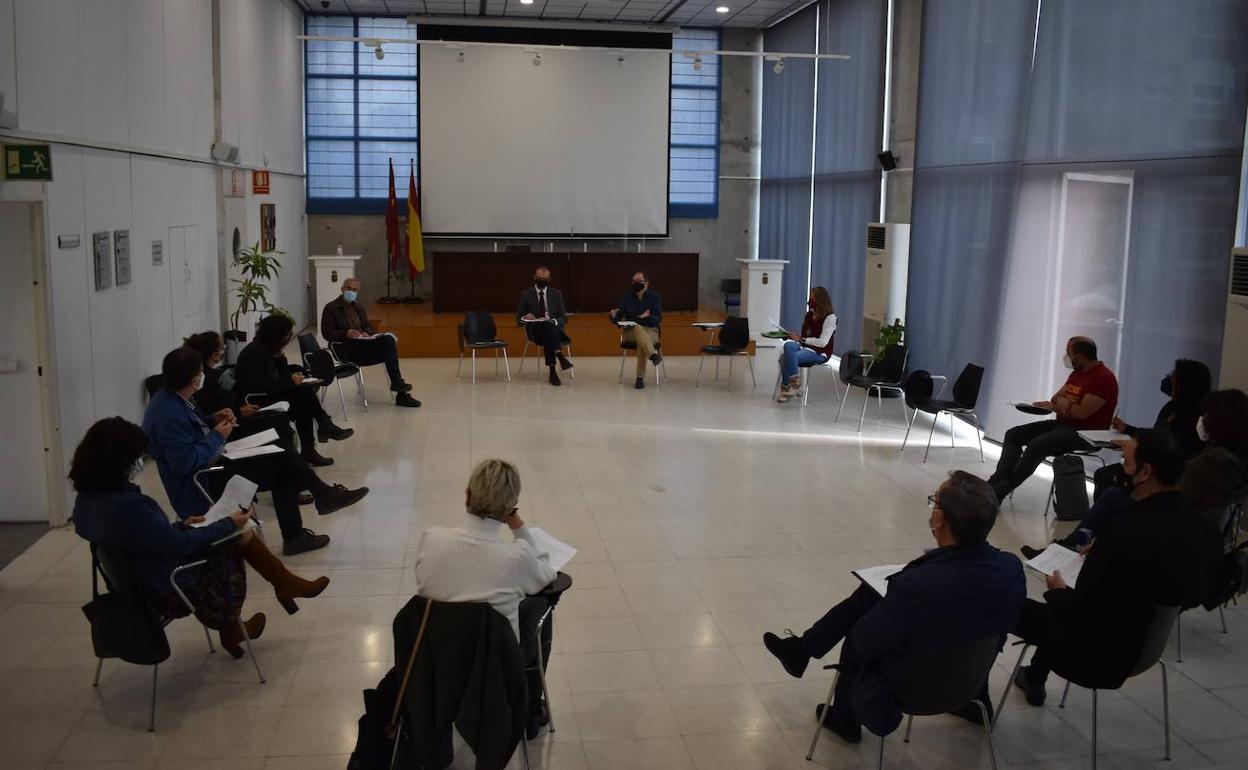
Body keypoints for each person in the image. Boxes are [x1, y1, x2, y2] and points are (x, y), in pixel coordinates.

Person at [761, 471, 1025, 741]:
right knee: (881, 598)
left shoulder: (918, 585)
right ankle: (802, 650)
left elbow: (864, 641)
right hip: (968, 682)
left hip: (914, 690)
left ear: (940, 518)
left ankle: (843, 716)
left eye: (934, 502)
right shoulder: (1011, 568)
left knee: (860, 625)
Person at [70, 418, 331, 656]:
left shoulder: (87, 502)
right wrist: (227, 523)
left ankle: (269, 595)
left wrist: (181, 525)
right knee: (237, 534)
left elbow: (141, 538)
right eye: (137, 457)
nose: (141, 462)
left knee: (227, 531)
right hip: (167, 584)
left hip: (134, 579)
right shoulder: (128, 505)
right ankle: (272, 591)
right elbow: (177, 547)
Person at [1009, 430, 1224, 707]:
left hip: (1096, 653)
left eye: (1126, 463)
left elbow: (1080, 611)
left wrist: (1057, 592)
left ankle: (977, 695)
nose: (1121, 470)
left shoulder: (1125, 531)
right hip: (1145, 646)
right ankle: (1034, 678)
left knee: (1004, 602)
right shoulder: (1203, 528)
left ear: (1145, 472)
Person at [144, 347, 368, 556]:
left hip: (214, 463)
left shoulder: (173, 399)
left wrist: (213, 419)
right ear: (194, 379)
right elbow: (183, 461)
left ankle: (311, 512)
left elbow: (192, 429)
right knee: (283, 467)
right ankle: (308, 515)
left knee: (279, 447)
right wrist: (216, 436)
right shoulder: (168, 413)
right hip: (205, 479)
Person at [413, 459, 559, 738]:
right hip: (496, 665)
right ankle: (529, 709)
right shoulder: (516, 556)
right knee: (542, 605)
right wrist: (518, 526)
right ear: (509, 508)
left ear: (467, 494)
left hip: (436, 657)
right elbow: (546, 574)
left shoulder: (432, 539)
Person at [1020, 383, 1243, 559]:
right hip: (1192, 535)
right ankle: (1072, 545)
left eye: (1206, 415)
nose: (1201, 419)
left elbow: (1173, 500)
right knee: (1113, 491)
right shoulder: (1233, 459)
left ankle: (1072, 547)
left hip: (1171, 532)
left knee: (1112, 494)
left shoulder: (1211, 462)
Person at [988, 336, 1118, 502]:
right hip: (1062, 424)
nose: (1066, 357)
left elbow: (1081, 413)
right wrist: (1064, 405)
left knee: (1038, 445)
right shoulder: (1077, 373)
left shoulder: (1103, 378)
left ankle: (997, 492)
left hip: (1084, 434)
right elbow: (1056, 398)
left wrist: (1062, 405)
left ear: (1079, 357)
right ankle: (997, 483)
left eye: (1068, 353)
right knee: (1013, 434)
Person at [182, 331, 313, 463]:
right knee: (280, 424)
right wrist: (238, 412)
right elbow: (214, 410)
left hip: (237, 414)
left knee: (294, 405)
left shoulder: (212, 375)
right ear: (215, 354)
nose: (225, 350)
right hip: (231, 426)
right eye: (222, 347)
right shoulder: (204, 380)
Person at [233, 314, 354, 454]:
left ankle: (318, 435)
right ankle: (322, 428)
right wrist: (290, 381)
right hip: (256, 401)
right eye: (287, 334)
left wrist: (280, 360)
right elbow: (260, 386)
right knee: (304, 397)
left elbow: (279, 376)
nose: (289, 338)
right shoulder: (255, 353)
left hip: (267, 394)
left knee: (304, 396)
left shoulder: (268, 349)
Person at [320, 278, 421, 408]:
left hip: (363, 344)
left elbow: (368, 325)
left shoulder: (358, 307)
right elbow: (326, 333)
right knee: (388, 347)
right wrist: (346, 333)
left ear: (358, 292)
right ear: (342, 289)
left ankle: (400, 390)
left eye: (355, 290)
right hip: (346, 349)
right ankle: (400, 388)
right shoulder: (331, 308)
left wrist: (367, 332)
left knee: (388, 340)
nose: (351, 291)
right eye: (348, 288)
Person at [776, 286, 837, 403]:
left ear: (820, 300)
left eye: (812, 297)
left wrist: (802, 340)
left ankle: (789, 386)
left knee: (784, 358)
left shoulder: (830, 318)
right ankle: (795, 384)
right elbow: (804, 337)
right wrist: (792, 336)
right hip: (805, 347)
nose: (809, 300)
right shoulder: (809, 315)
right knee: (788, 345)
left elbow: (822, 342)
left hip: (819, 352)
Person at [517, 266, 574, 387]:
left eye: (545, 279)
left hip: (553, 329)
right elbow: (519, 320)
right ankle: (559, 356)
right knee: (547, 329)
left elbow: (564, 318)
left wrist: (553, 321)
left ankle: (553, 371)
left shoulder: (556, 294)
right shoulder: (525, 294)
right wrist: (526, 316)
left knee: (548, 327)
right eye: (539, 278)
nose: (541, 281)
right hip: (535, 330)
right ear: (534, 277)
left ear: (549, 279)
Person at [609, 271, 663, 390]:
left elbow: (658, 319)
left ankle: (640, 378)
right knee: (638, 328)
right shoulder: (626, 297)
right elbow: (618, 319)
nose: (635, 284)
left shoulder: (655, 297)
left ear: (646, 283)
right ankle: (652, 356)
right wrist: (613, 316)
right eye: (633, 282)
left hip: (650, 330)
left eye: (638, 282)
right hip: (630, 332)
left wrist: (647, 316)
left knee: (641, 342)